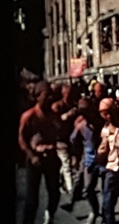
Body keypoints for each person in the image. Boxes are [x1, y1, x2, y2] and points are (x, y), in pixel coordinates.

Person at [18, 81, 61, 224]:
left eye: (50, 95)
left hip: (51, 157)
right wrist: (32, 155)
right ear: (37, 96)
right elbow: (22, 139)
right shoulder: (29, 116)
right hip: (35, 159)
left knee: (55, 193)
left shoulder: (54, 114)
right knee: (32, 199)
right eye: (46, 95)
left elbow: (59, 132)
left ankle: (50, 216)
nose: (49, 98)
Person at [95, 97, 119, 224]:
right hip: (111, 170)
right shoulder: (105, 130)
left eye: (110, 113)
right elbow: (102, 152)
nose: (108, 116)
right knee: (108, 204)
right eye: (105, 114)